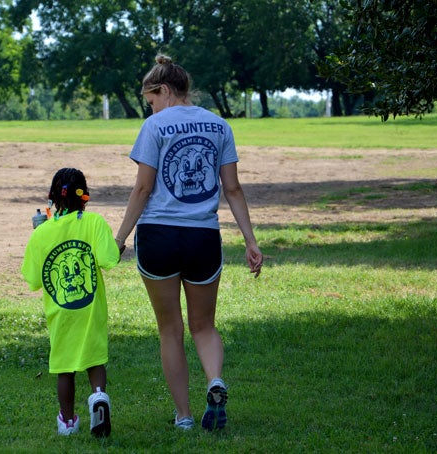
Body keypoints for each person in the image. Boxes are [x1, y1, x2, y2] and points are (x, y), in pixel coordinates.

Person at [114, 55, 263, 431]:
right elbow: (233, 188)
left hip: (160, 236)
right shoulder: (219, 125)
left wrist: (120, 237)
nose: (150, 108)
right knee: (204, 326)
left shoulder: (154, 126)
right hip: (203, 237)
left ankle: (183, 417)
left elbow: (144, 188)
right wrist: (250, 240)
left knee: (170, 329)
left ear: (164, 91)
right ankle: (214, 380)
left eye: (151, 100)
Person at [22, 168, 120, 437]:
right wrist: (117, 245)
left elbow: (33, 278)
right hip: (90, 310)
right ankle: (99, 396)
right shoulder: (94, 222)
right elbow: (109, 259)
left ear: (52, 196)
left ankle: (67, 421)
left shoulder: (41, 233)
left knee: (64, 368)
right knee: (94, 358)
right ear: (84, 196)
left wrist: (40, 235)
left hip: (61, 312)